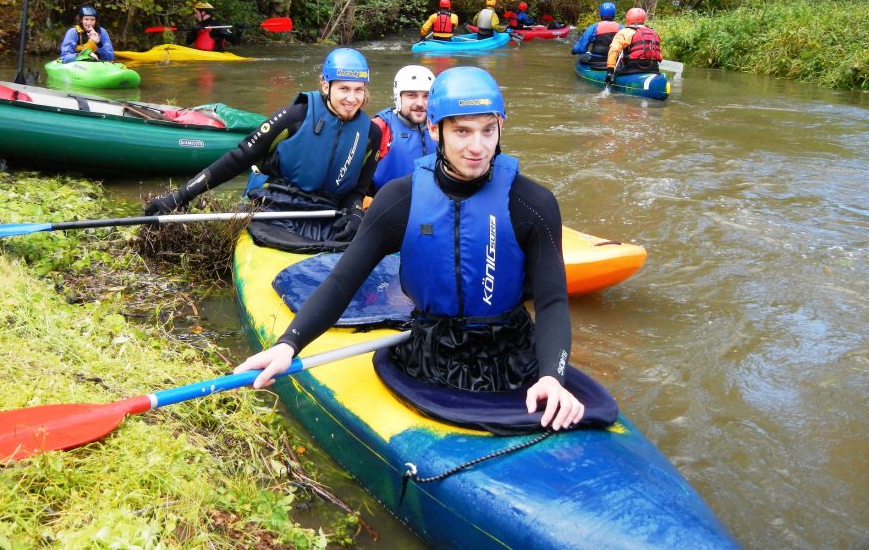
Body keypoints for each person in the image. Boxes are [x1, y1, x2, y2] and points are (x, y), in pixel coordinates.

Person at [234, 66, 586, 432]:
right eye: (462, 131)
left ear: (501, 124)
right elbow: (343, 282)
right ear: (435, 129)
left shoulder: (533, 204)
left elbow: (552, 302)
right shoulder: (399, 200)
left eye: (488, 130)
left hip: (514, 356)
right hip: (431, 355)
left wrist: (552, 376)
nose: (477, 147)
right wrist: (289, 344)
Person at [144, 48, 382, 251]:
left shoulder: (371, 134)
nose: (352, 98)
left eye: (358, 89)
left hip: (328, 216)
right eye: (344, 89)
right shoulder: (293, 117)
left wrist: (354, 213)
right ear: (325, 85)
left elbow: (357, 192)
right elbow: (239, 158)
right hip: (276, 212)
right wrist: (180, 196)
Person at [370, 65, 437, 194]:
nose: (420, 103)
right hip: (389, 205)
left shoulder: (443, 128)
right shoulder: (380, 127)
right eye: (412, 95)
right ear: (398, 97)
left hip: (432, 205)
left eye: (426, 96)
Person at [606, 7, 662, 82]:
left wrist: (610, 70)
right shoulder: (654, 33)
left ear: (628, 19)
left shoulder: (625, 32)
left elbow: (613, 50)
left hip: (632, 68)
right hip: (654, 68)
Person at [572, 2, 622, 69]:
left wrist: (574, 51)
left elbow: (581, 49)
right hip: (615, 61)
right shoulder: (621, 28)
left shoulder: (594, 27)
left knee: (583, 57)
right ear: (614, 14)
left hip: (596, 60)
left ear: (601, 14)